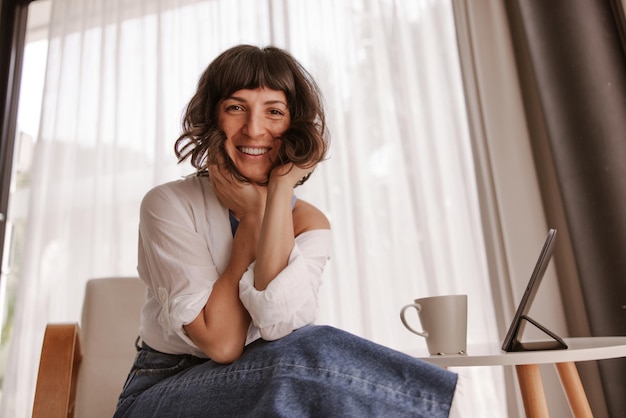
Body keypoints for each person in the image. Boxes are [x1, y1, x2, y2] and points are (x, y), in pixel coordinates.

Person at [114, 44, 459, 417]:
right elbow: (223, 343)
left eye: (274, 112)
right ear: (214, 116)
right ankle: (451, 407)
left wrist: (279, 191)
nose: (254, 129)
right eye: (236, 108)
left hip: (274, 385)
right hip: (163, 391)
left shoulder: (309, 221)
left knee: (297, 386)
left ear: (293, 127)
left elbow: (278, 322)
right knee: (302, 361)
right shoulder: (168, 204)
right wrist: (252, 220)